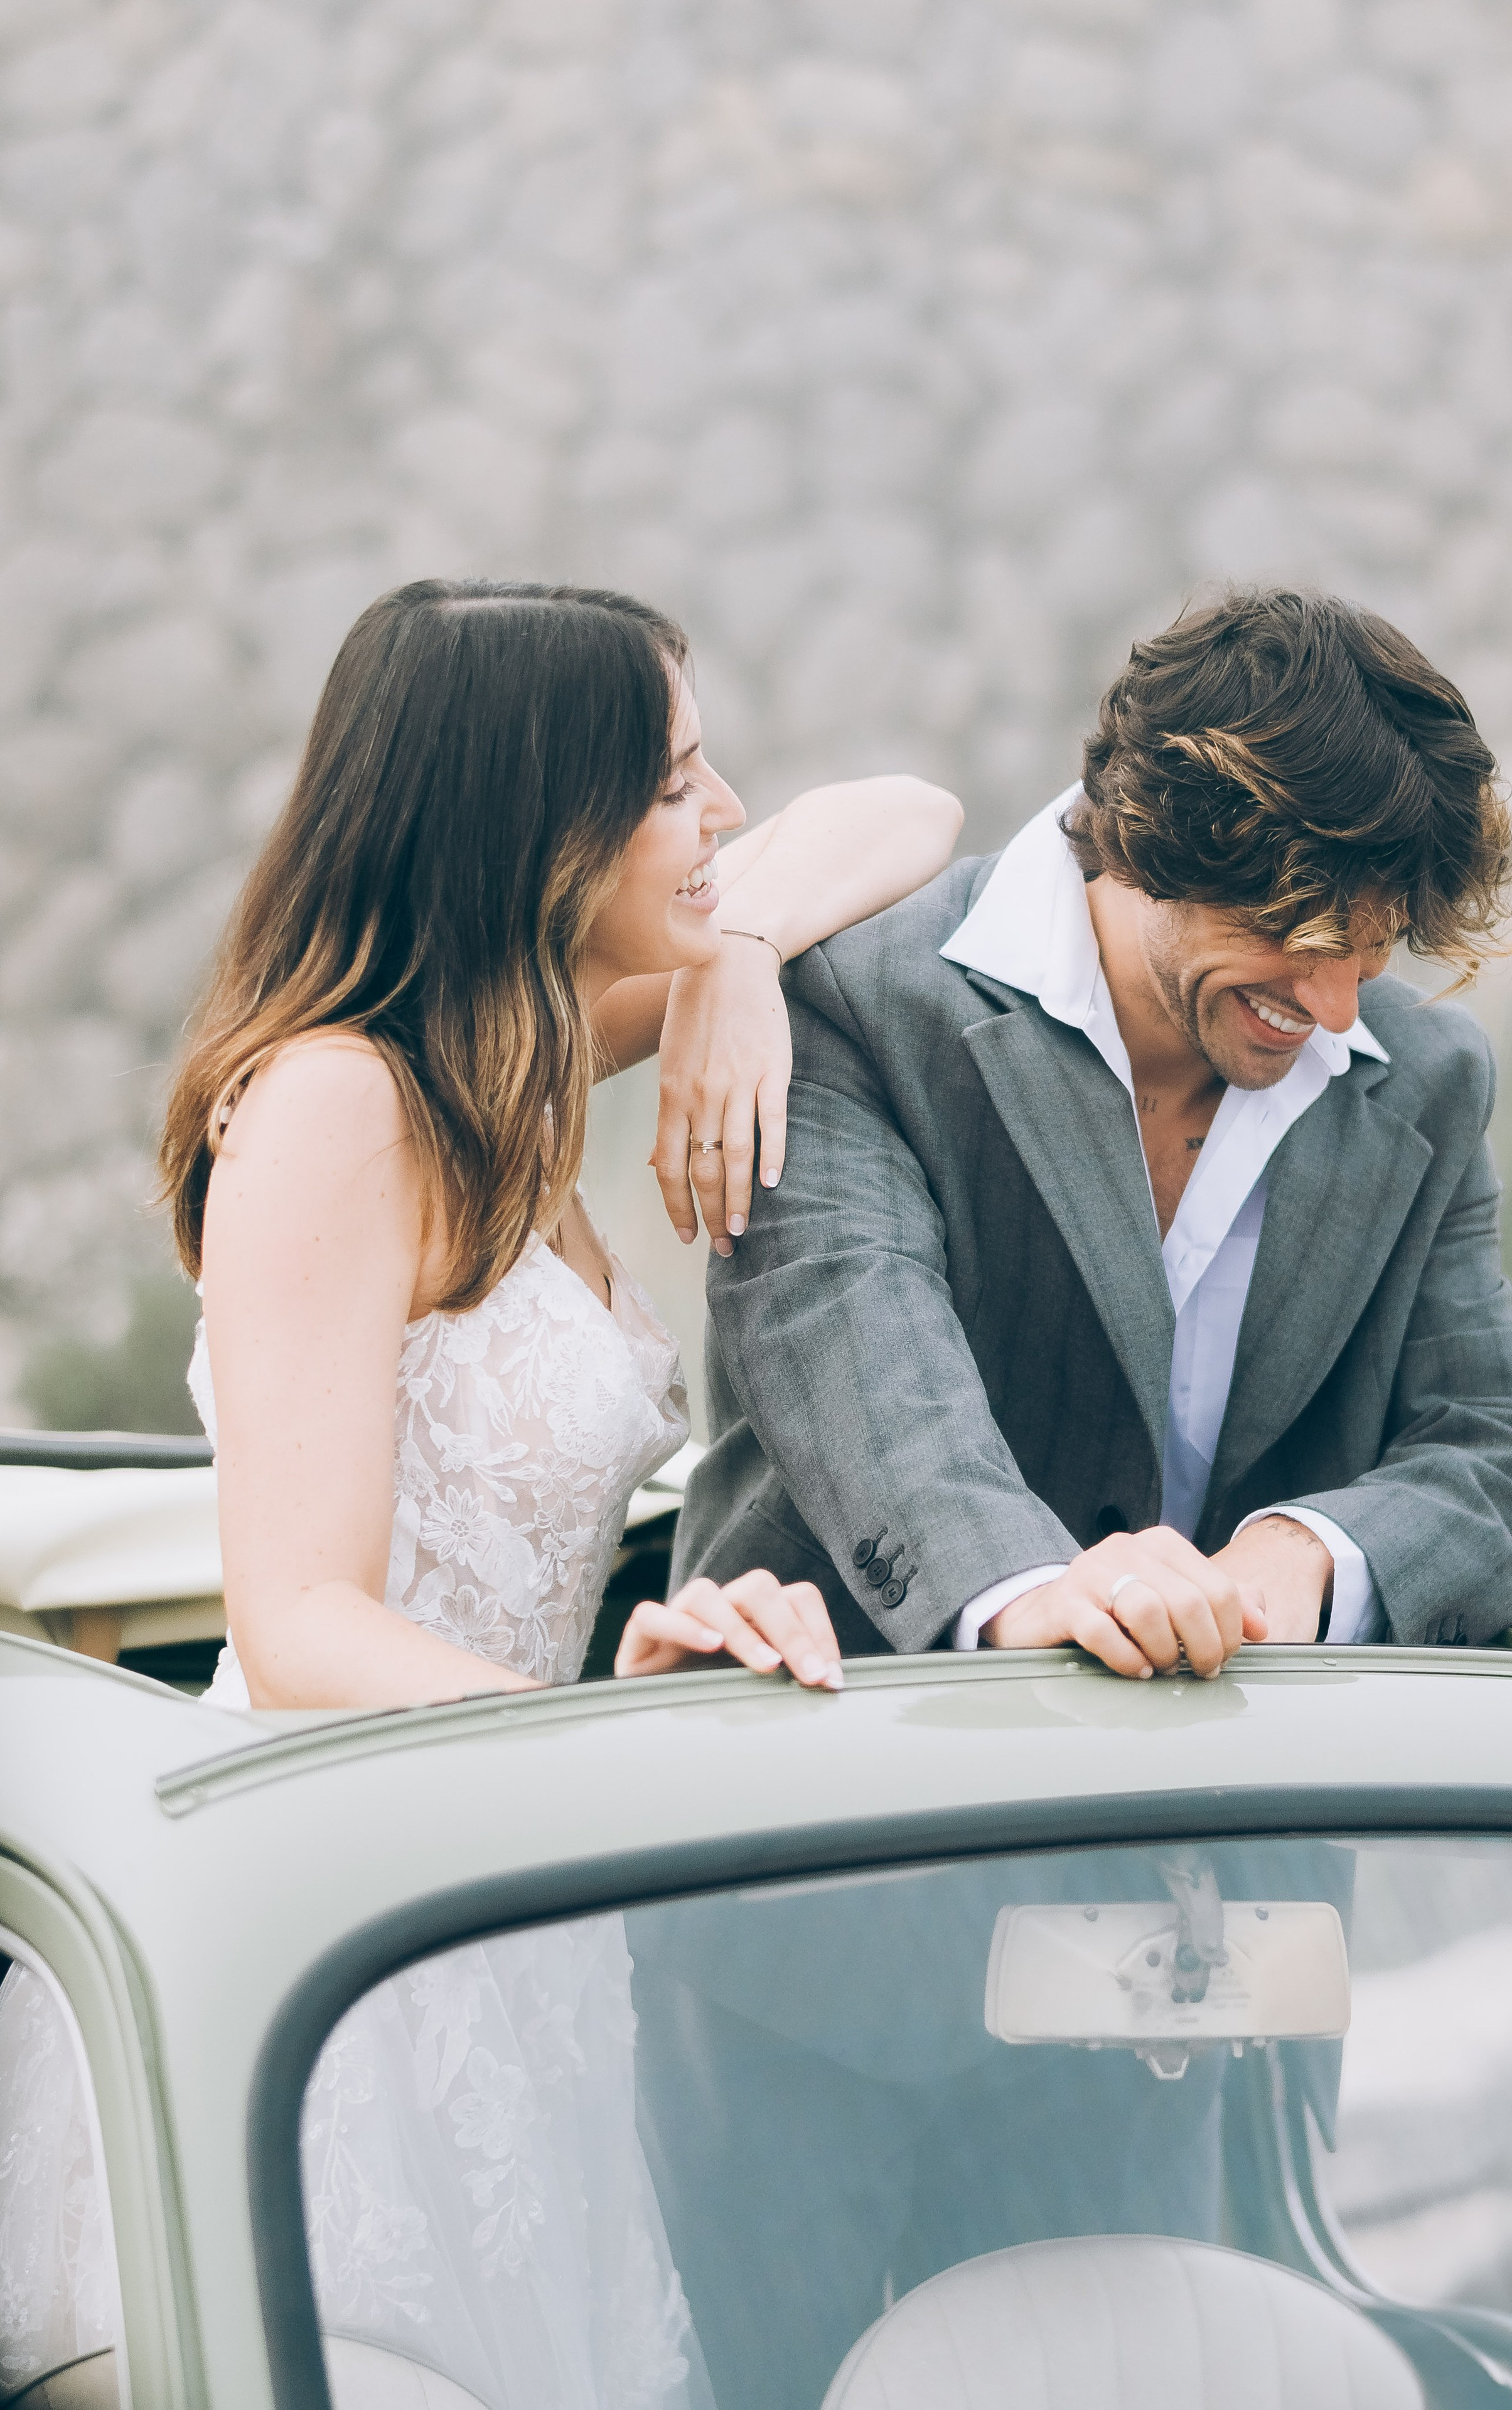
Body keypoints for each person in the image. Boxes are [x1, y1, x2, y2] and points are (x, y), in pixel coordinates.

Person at [0, 579, 962, 2408]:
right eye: (671, 787)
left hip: (513, 1906)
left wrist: (739, 959)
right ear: (539, 822)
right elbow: (301, 1626)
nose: (725, 810)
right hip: (333, 1918)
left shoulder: (523, 1051)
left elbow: (912, 813)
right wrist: (596, 1747)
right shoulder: (334, 1105)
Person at [673, 586, 1512, 1668]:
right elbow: (866, 1383)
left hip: (1249, 1768)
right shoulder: (852, 1003)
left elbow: (1504, 1455)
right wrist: (1034, 1591)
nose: (1337, 1010)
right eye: (1297, 939)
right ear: (1156, 843)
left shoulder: (1430, 1074)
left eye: (1372, 951)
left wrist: (1308, 1553)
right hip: (847, 1734)